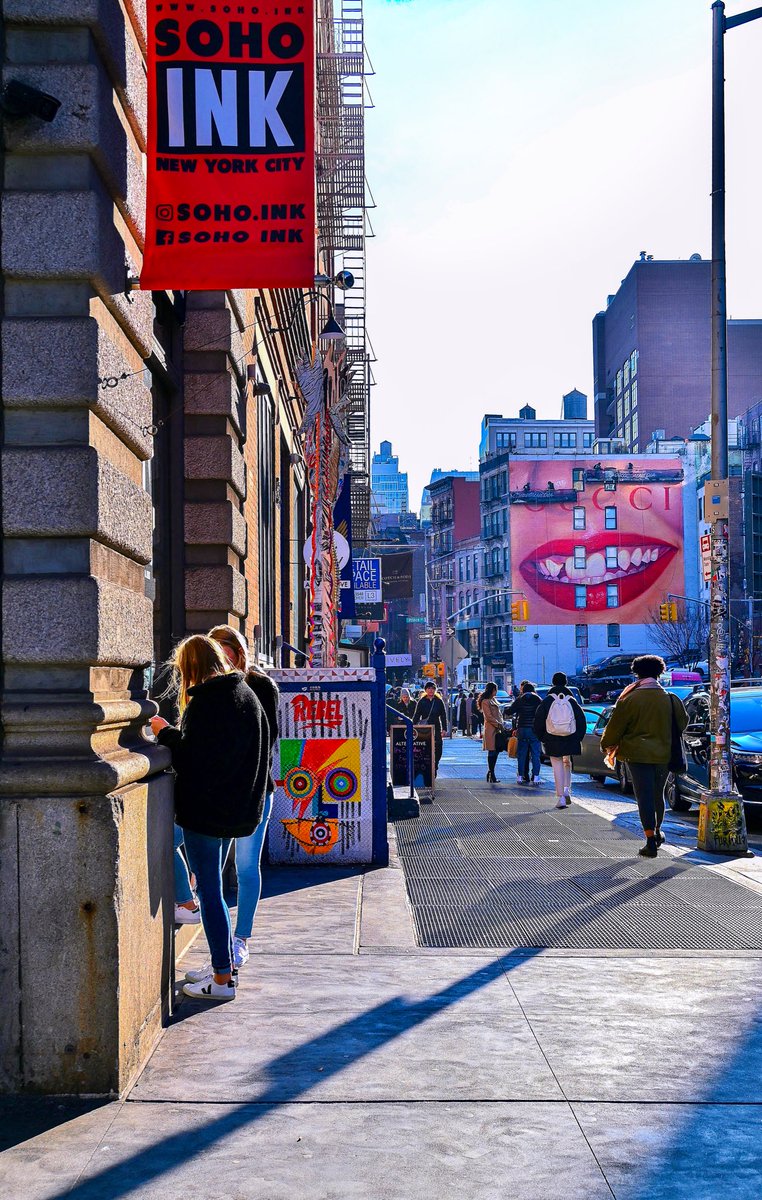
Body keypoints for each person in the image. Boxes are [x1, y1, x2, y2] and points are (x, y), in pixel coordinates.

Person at [150, 635, 269, 1002]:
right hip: (235, 811)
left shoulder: (205, 704)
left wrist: (163, 731)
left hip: (206, 813)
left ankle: (221, 979)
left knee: (211, 893)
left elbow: (192, 759)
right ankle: (224, 965)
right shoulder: (246, 695)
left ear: (192, 669)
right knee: (215, 889)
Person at [208, 624, 279, 969]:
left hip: (253, 789)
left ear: (238, 651)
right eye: (215, 652)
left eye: (225, 651)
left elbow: (266, 741)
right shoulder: (210, 686)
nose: (221, 659)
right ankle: (220, 952)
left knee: (247, 866)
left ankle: (241, 940)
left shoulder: (260, 685)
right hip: (219, 792)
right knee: (213, 871)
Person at [600, 654, 688, 858]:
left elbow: (614, 728)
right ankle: (658, 830)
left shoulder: (629, 699)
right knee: (658, 794)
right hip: (664, 754)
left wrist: (606, 745)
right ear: (660, 672)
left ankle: (649, 839)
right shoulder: (670, 698)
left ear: (637, 674)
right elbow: (682, 724)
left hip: (637, 755)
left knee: (644, 796)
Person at [533, 671, 586, 808]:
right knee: (567, 762)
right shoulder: (572, 700)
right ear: (566, 682)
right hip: (570, 737)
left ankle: (561, 796)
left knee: (556, 764)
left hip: (552, 738)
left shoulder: (548, 700)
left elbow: (538, 721)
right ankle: (567, 789)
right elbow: (581, 720)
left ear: (553, 682)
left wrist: (543, 737)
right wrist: (577, 737)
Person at [503, 680, 543, 785]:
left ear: (523, 690)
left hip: (522, 729)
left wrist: (505, 711)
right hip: (534, 730)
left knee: (522, 754)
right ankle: (536, 777)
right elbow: (543, 712)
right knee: (535, 754)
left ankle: (520, 776)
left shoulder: (520, 699)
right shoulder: (538, 699)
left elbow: (510, 710)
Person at [413, 680, 448, 776]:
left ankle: (435, 764)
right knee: (426, 747)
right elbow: (416, 715)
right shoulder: (422, 701)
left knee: (439, 747)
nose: (431, 690)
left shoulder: (439, 701)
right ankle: (428, 766)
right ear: (425, 690)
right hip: (425, 728)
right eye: (429, 688)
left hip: (436, 726)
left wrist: (444, 729)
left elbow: (443, 716)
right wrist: (412, 726)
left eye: (433, 688)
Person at [480, 682, 506, 783]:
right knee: (492, 751)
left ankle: (491, 772)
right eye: (495, 689)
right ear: (492, 690)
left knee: (496, 751)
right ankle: (492, 774)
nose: (496, 691)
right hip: (491, 729)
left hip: (497, 729)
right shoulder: (485, 702)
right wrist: (498, 724)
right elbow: (488, 716)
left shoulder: (493, 700)